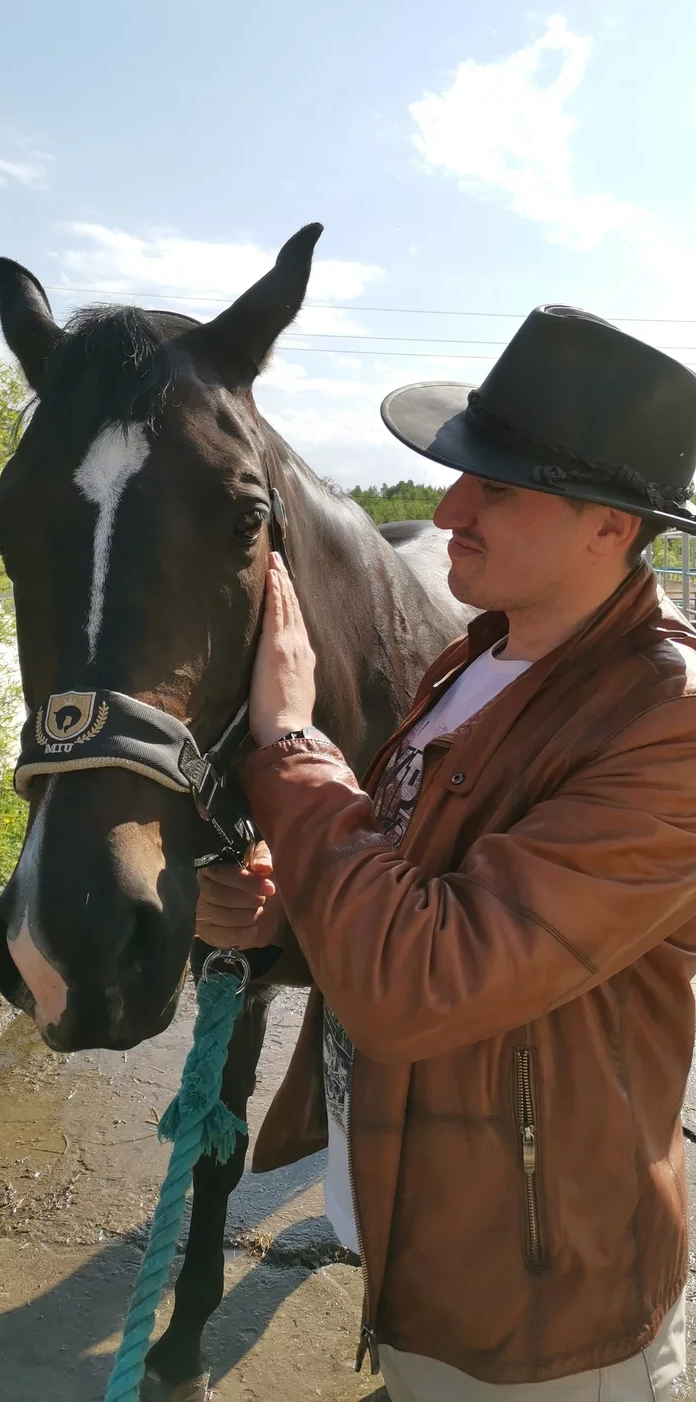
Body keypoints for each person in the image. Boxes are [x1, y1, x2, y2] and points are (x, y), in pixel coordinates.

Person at [196, 305, 696, 1401]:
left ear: (611, 528)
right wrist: (291, 903)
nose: (444, 509)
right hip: (412, 1208)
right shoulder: (482, 656)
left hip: (539, 1298)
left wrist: (290, 747)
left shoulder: (669, 726)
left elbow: (423, 982)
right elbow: (415, 872)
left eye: (496, 488)